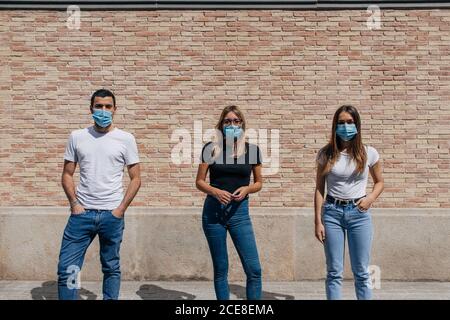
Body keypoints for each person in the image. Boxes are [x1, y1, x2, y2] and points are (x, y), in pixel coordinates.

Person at [57, 89, 141, 300]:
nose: (103, 111)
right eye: (99, 106)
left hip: (111, 215)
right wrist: (75, 204)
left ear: (115, 109)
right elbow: (67, 174)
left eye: (108, 107)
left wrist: (120, 210)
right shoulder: (77, 136)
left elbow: (136, 178)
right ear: (91, 108)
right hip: (81, 214)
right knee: (69, 267)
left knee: (110, 267)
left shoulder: (125, 139)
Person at [314, 105, 384, 300]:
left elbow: (380, 182)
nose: (346, 126)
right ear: (335, 125)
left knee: (361, 272)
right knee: (334, 272)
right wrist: (318, 221)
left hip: (359, 215)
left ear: (357, 125)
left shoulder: (368, 153)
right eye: (341, 122)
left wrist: (370, 199)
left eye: (350, 122)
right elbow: (319, 188)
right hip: (331, 213)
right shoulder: (325, 154)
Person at [196, 105, 263, 300]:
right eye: (227, 121)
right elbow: (199, 181)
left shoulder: (252, 150)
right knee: (221, 269)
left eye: (236, 121)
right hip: (213, 215)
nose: (232, 124)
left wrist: (248, 189)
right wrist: (215, 191)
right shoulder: (211, 148)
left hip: (239, 214)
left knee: (254, 269)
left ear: (242, 124)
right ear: (221, 125)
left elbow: (258, 183)